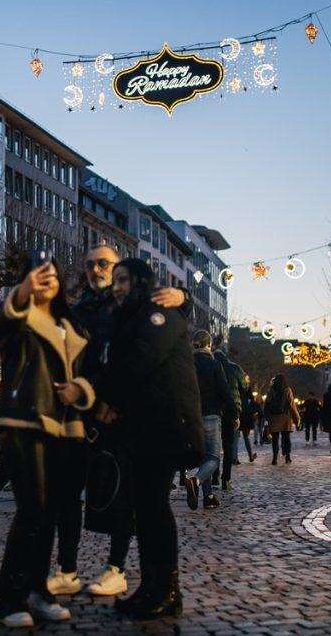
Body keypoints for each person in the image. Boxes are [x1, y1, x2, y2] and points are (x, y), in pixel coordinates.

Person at [47, 244, 189, 599]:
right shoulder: (80, 309)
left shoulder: (131, 307)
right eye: (92, 263)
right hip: (81, 410)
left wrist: (183, 296)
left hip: (118, 411)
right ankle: (67, 569)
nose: (98, 269)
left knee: (124, 493)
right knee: (68, 492)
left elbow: (147, 347)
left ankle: (116, 569)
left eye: (106, 264)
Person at [0, 257, 96, 628]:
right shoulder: (18, 320)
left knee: (51, 512)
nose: (47, 280)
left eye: (53, 275)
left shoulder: (71, 325)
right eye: (40, 275)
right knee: (32, 509)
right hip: (25, 420)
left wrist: (79, 391)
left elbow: (87, 374)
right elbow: (4, 319)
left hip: (67, 428)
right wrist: (23, 292)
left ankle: (37, 589)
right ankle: (10, 597)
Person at [102, 258, 203, 620]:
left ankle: (166, 590)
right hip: (148, 428)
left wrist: (104, 399)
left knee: (154, 509)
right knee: (147, 508)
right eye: (115, 280)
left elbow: (138, 363)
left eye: (124, 280)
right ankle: (153, 586)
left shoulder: (157, 314)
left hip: (164, 428)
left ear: (142, 282)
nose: (117, 286)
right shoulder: (134, 315)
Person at [184, 330, 234, 510]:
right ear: (208, 345)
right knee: (213, 457)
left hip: (191, 417)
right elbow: (225, 391)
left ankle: (209, 496)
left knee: (202, 457)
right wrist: (233, 414)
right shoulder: (214, 364)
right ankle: (195, 480)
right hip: (211, 416)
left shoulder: (186, 364)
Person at [213, 346, 245, 490]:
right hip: (232, 411)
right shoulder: (235, 368)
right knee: (228, 447)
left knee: (213, 447)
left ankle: (214, 477)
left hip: (214, 410)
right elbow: (244, 387)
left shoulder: (211, 367)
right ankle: (226, 480)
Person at [263, 374, 299, 464]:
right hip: (285, 417)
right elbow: (291, 405)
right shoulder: (287, 389)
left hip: (274, 417)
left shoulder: (271, 390)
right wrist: (297, 418)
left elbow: (267, 403)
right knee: (286, 438)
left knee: (275, 439)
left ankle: (275, 458)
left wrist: (266, 416)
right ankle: (287, 456)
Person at [237, 376, 259, 463]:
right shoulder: (247, 389)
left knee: (236, 437)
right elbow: (252, 401)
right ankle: (250, 455)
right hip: (246, 415)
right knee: (246, 437)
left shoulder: (237, 387)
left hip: (238, 413)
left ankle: (235, 457)